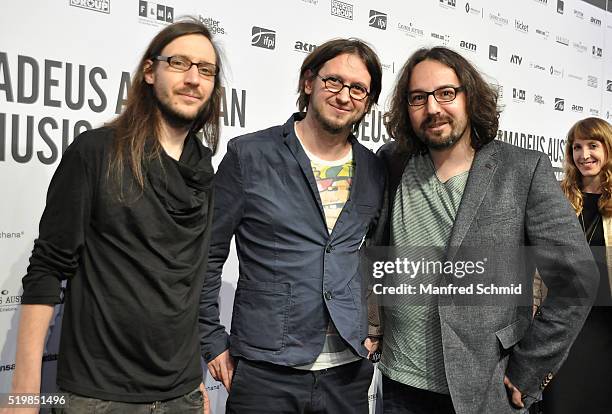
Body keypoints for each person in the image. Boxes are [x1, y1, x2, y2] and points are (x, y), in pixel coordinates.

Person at [366, 47, 598, 414]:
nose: (432, 108)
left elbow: (577, 279)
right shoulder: (391, 161)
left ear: (469, 96)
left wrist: (530, 368)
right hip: (398, 384)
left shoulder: (522, 170)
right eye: (418, 98)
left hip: (486, 387)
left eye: (446, 93)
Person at [8, 19, 222, 414]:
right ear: (149, 71)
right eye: (179, 63)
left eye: (206, 70)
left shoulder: (203, 169)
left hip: (183, 395)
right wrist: (24, 390)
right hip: (98, 396)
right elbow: (48, 267)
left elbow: (185, 284)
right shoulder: (96, 152)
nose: (194, 78)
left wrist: (194, 380)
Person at [199, 38, 385, 413]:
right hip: (266, 369)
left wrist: (376, 328)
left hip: (348, 373)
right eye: (334, 81)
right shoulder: (249, 154)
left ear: (367, 102)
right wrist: (211, 337)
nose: (344, 95)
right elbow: (207, 253)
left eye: (358, 89)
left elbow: (378, 256)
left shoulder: (375, 168)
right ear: (308, 82)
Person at [538, 117, 612, 413]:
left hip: (606, 326)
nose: (584, 155)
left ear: (607, 149)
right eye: (576, 147)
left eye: (592, 145)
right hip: (563, 325)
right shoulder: (556, 197)